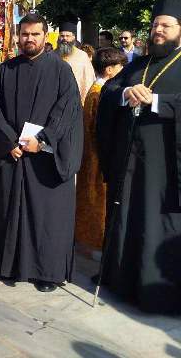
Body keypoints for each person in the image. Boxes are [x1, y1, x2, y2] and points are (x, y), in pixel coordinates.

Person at [96, 0, 181, 315]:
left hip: (173, 170)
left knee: (164, 228)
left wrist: (157, 102)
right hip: (133, 168)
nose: (158, 31)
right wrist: (126, 94)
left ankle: (167, 296)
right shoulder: (139, 65)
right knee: (131, 222)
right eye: (155, 25)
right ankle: (126, 284)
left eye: (165, 26)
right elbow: (110, 90)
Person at [0, 13, 83, 292]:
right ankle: (10, 266)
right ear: (18, 35)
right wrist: (8, 144)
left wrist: (42, 140)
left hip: (45, 157)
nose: (29, 39)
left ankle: (47, 273)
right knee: (9, 210)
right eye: (25, 34)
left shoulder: (61, 70)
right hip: (13, 154)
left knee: (45, 216)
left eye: (35, 34)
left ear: (45, 35)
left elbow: (67, 111)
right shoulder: (6, 69)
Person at [74, 47, 127, 255]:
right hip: (98, 154)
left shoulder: (97, 89)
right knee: (98, 198)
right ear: (109, 69)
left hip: (93, 153)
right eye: (120, 67)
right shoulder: (101, 92)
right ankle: (97, 241)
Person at [58, 19, 95, 104]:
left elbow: (88, 82)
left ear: (74, 37)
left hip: (75, 102)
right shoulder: (52, 55)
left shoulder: (82, 56)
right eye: (62, 36)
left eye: (68, 36)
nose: (65, 39)